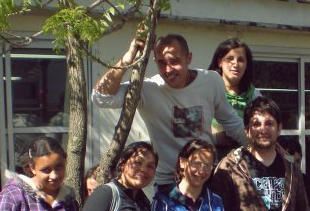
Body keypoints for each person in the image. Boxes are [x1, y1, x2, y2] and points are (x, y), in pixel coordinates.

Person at [92, 33, 247, 190]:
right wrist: (128, 58)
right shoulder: (147, 89)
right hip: (168, 182)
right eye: (162, 63)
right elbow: (100, 98)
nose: (168, 69)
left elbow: (232, 123)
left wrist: (260, 151)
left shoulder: (210, 81)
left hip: (205, 177)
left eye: (174, 61)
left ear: (188, 58)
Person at [212, 96, 310, 211]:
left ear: (279, 128)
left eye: (269, 123)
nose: (263, 129)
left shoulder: (292, 171)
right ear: (246, 130)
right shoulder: (230, 169)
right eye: (256, 124)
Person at [208, 38, 261, 157]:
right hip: (209, 160)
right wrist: (215, 138)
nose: (235, 64)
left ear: (247, 65)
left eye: (241, 60)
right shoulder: (208, 90)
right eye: (230, 58)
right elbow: (192, 129)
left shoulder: (254, 95)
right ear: (220, 62)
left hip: (244, 160)